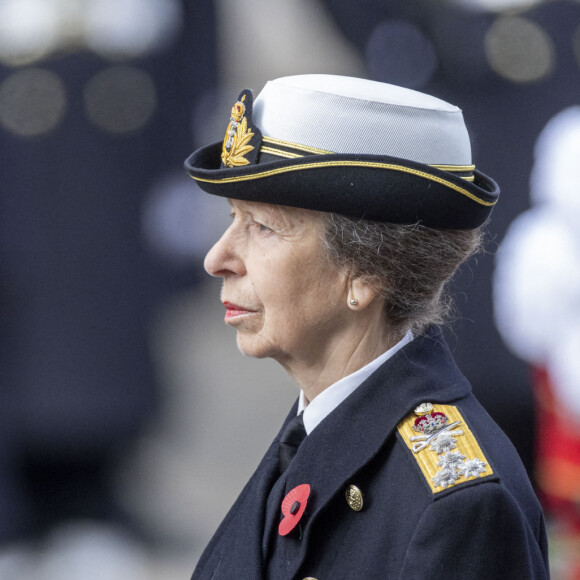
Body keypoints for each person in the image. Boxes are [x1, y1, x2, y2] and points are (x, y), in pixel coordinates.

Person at [184, 75, 549, 579]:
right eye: (232, 217)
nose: (217, 258)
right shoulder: (314, 429)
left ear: (366, 272)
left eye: (263, 226)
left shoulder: (456, 507)